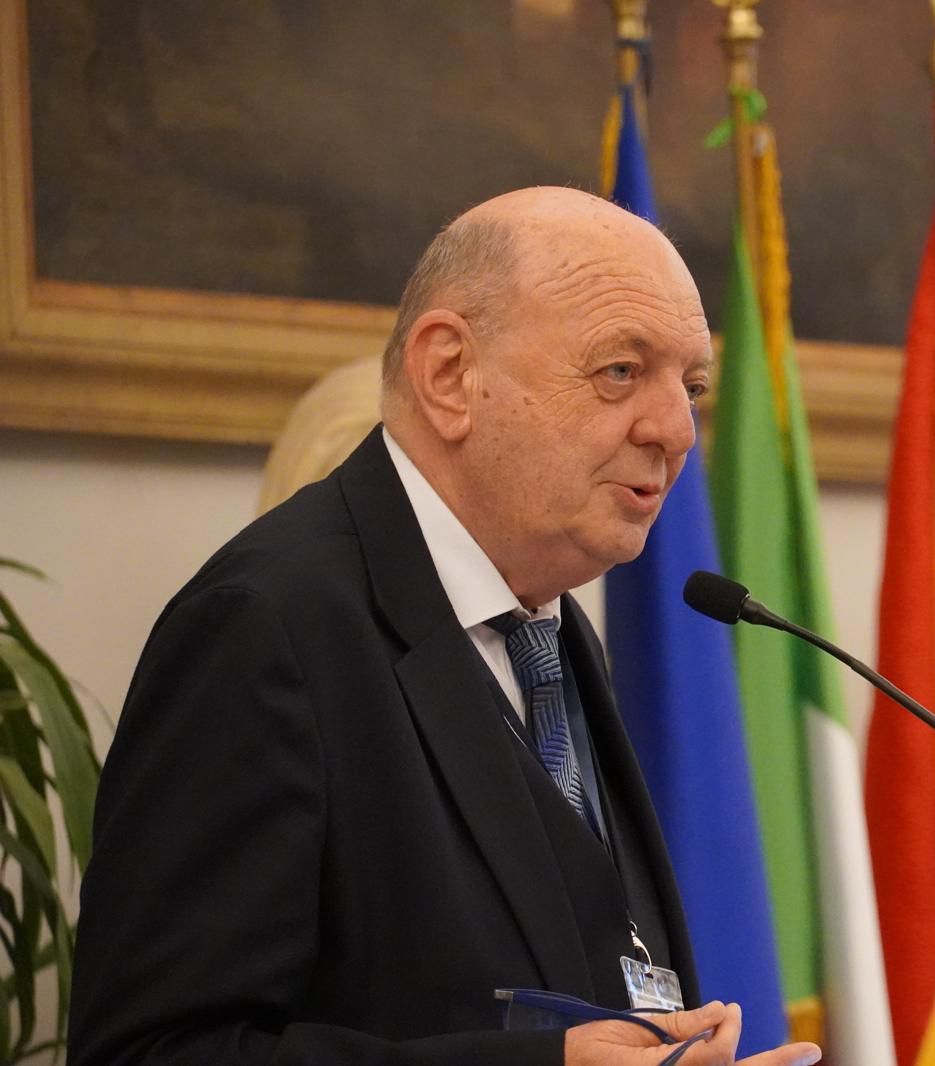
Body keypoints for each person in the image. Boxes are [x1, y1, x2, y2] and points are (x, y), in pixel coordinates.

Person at [68, 187, 821, 1066]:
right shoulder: (264, 629)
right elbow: (146, 1053)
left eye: (690, 387)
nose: (675, 430)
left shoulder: (550, 630)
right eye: (621, 371)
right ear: (450, 374)